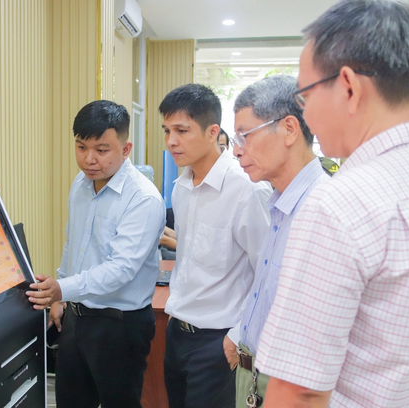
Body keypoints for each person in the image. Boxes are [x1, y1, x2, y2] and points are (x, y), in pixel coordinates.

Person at [254, 1, 409, 407]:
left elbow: (300, 391)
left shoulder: (339, 202)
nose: (305, 114)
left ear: (348, 87)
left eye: (305, 95)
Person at [26, 100, 166, 408]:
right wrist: (61, 297)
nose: (89, 159)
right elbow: (73, 243)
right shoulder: (81, 184)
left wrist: (62, 288)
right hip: (76, 317)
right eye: (81, 147)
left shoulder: (143, 198)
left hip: (120, 325)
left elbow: (121, 269)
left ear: (126, 149)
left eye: (101, 150)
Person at [160, 83, 271, 408]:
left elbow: (268, 274)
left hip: (218, 341)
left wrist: (237, 336)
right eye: (167, 130)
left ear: (212, 132)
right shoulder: (180, 187)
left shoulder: (247, 190)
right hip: (177, 333)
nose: (171, 141)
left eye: (182, 130)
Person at [229, 75, 329, 408]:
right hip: (252, 372)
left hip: (290, 385)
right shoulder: (277, 203)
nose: (236, 150)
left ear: (288, 129)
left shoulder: (323, 208)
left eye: (245, 135)